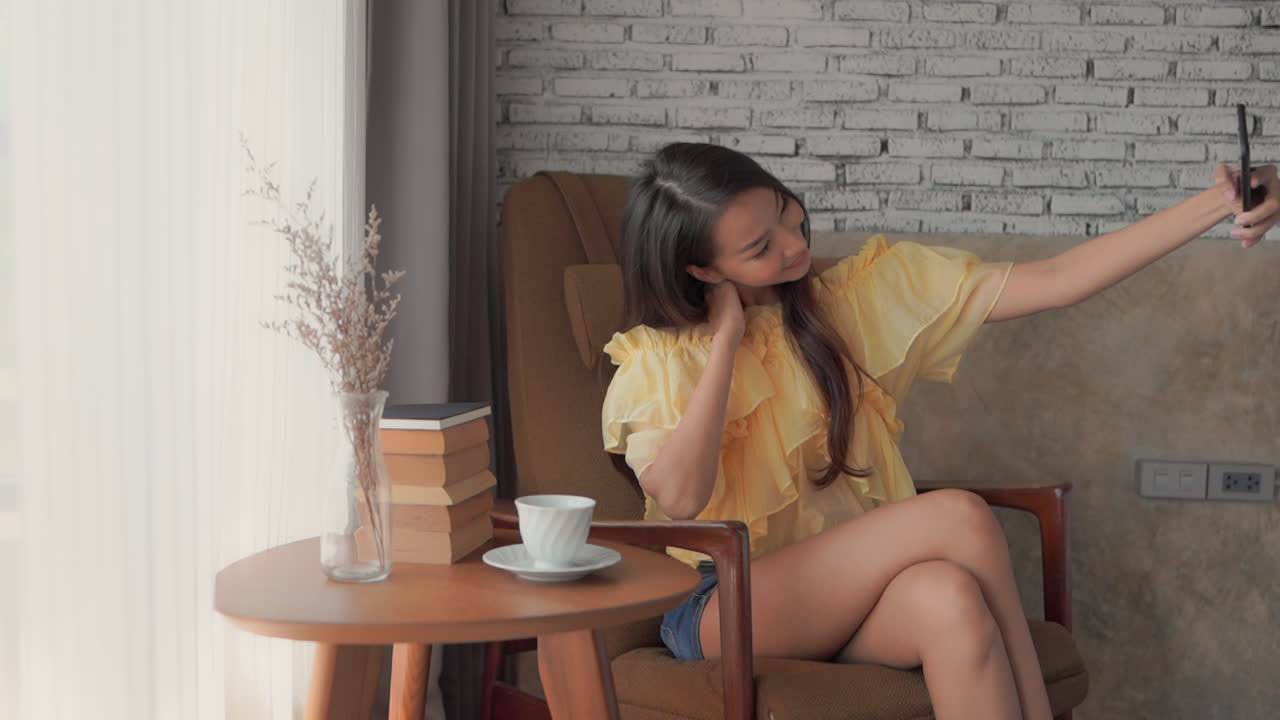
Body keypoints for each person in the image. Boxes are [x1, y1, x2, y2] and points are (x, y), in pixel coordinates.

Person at [600, 142, 1279, 720]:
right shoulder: (660, 360)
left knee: (950, 600)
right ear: (704, 270)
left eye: (785, 211)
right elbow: (682, 500)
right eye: (759, 247)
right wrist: (726, 339)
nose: (795, 243)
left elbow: (1062, 279)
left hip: (858, 599)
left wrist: (1221, 203)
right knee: (956, 515)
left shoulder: (862, 294)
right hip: (728, 611)